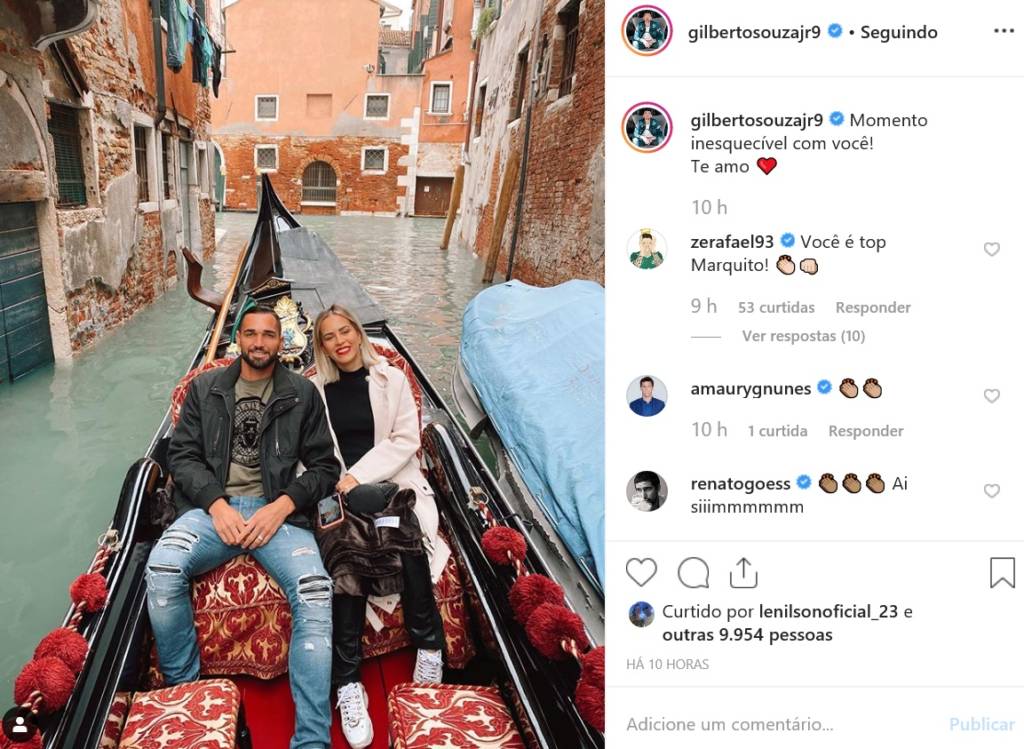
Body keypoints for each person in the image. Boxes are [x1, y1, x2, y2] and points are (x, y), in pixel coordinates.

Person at [146, 305, 340, 749]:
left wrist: (282, 505)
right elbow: (182, 457)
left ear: (281, 342)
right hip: (213, 510)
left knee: (315, 591)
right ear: (238, 339)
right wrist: (216, 505)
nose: (259, 342)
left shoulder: (302, 393)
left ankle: (312, 739)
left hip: (279, 514)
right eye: (250, 333)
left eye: (268, 334)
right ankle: (187, 699)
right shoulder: (205, 388)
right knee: (162, 569)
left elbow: (325, 467)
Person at [310, 304, 450, 749]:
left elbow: (406, 440)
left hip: (392, 484)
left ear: (357, 332)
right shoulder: (314, 390)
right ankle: (349, 682)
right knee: (345, 555)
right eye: (329, 336)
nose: (340, 341)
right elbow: (312, 450)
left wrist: (359, 478)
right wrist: (342, 485)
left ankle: (430, 648)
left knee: (402, 532)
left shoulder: (392, 379)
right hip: (338, 492)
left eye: (345, 331)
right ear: (322, 346)